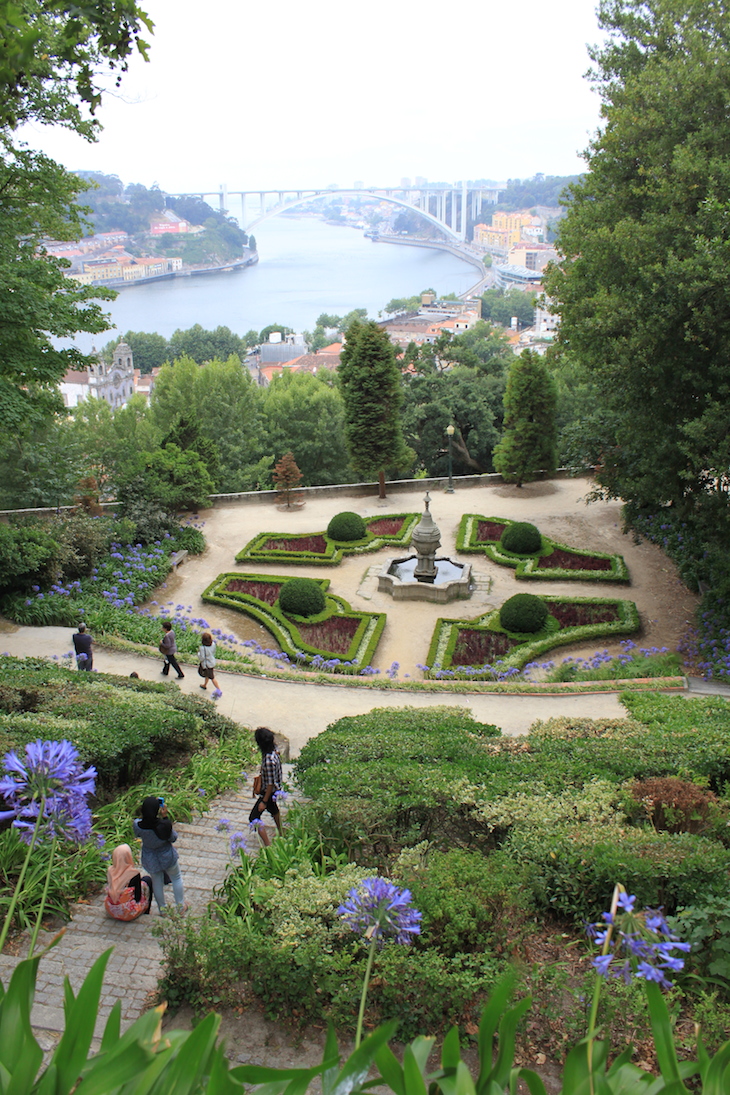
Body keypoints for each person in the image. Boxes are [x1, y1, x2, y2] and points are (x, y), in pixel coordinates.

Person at [133, 796, 186, 913]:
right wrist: (165, 816)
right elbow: (173, 838)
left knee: (157, 883)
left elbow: (137, 833)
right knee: (176, 878)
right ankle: (180, 907)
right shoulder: (163, 825)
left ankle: (162, 910)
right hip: (167, 856)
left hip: (150, 858)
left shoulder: (138, 825)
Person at [249, 726, 283, 847]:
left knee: (254, 818)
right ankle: (282, 833)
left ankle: (267, 845)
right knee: (274, 810)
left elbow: (270, 784)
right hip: (275, 790)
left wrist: (264, 800)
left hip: (268, 792)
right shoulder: (274, 751)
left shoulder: (268, 760)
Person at [104, 843, 152, 921]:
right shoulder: (133, 874)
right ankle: (146, 911)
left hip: (111, 910)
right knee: (147, 880)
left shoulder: (110, 870)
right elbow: (138, 897)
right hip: (127, 913)